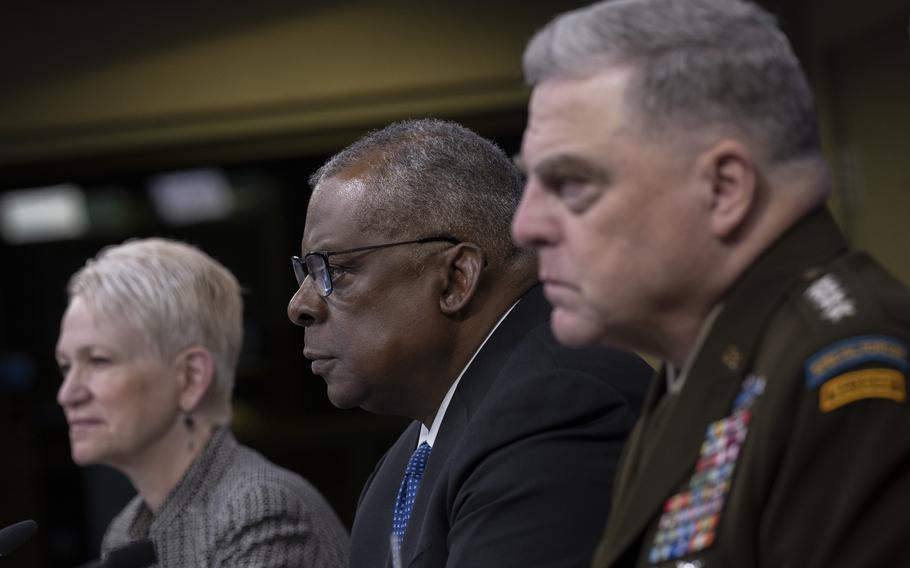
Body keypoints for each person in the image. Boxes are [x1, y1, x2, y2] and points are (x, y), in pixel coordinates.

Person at [511, 0, 910, 566]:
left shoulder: (845, 374)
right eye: (531, 184)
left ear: (724, 190)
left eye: (570, 183)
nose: (526, 227)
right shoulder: (705, 356)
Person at [287, 118, 652, 567]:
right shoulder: (404, 462)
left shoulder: (556, 405)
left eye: (335, 270)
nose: (299, 306)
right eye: (305, 272)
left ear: (455, 279)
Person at [56, 238, 349, 567]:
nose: (67, 394)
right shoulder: (127, 531)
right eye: (66, 367)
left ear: (191, 377)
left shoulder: (260, 510)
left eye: (98, 361)